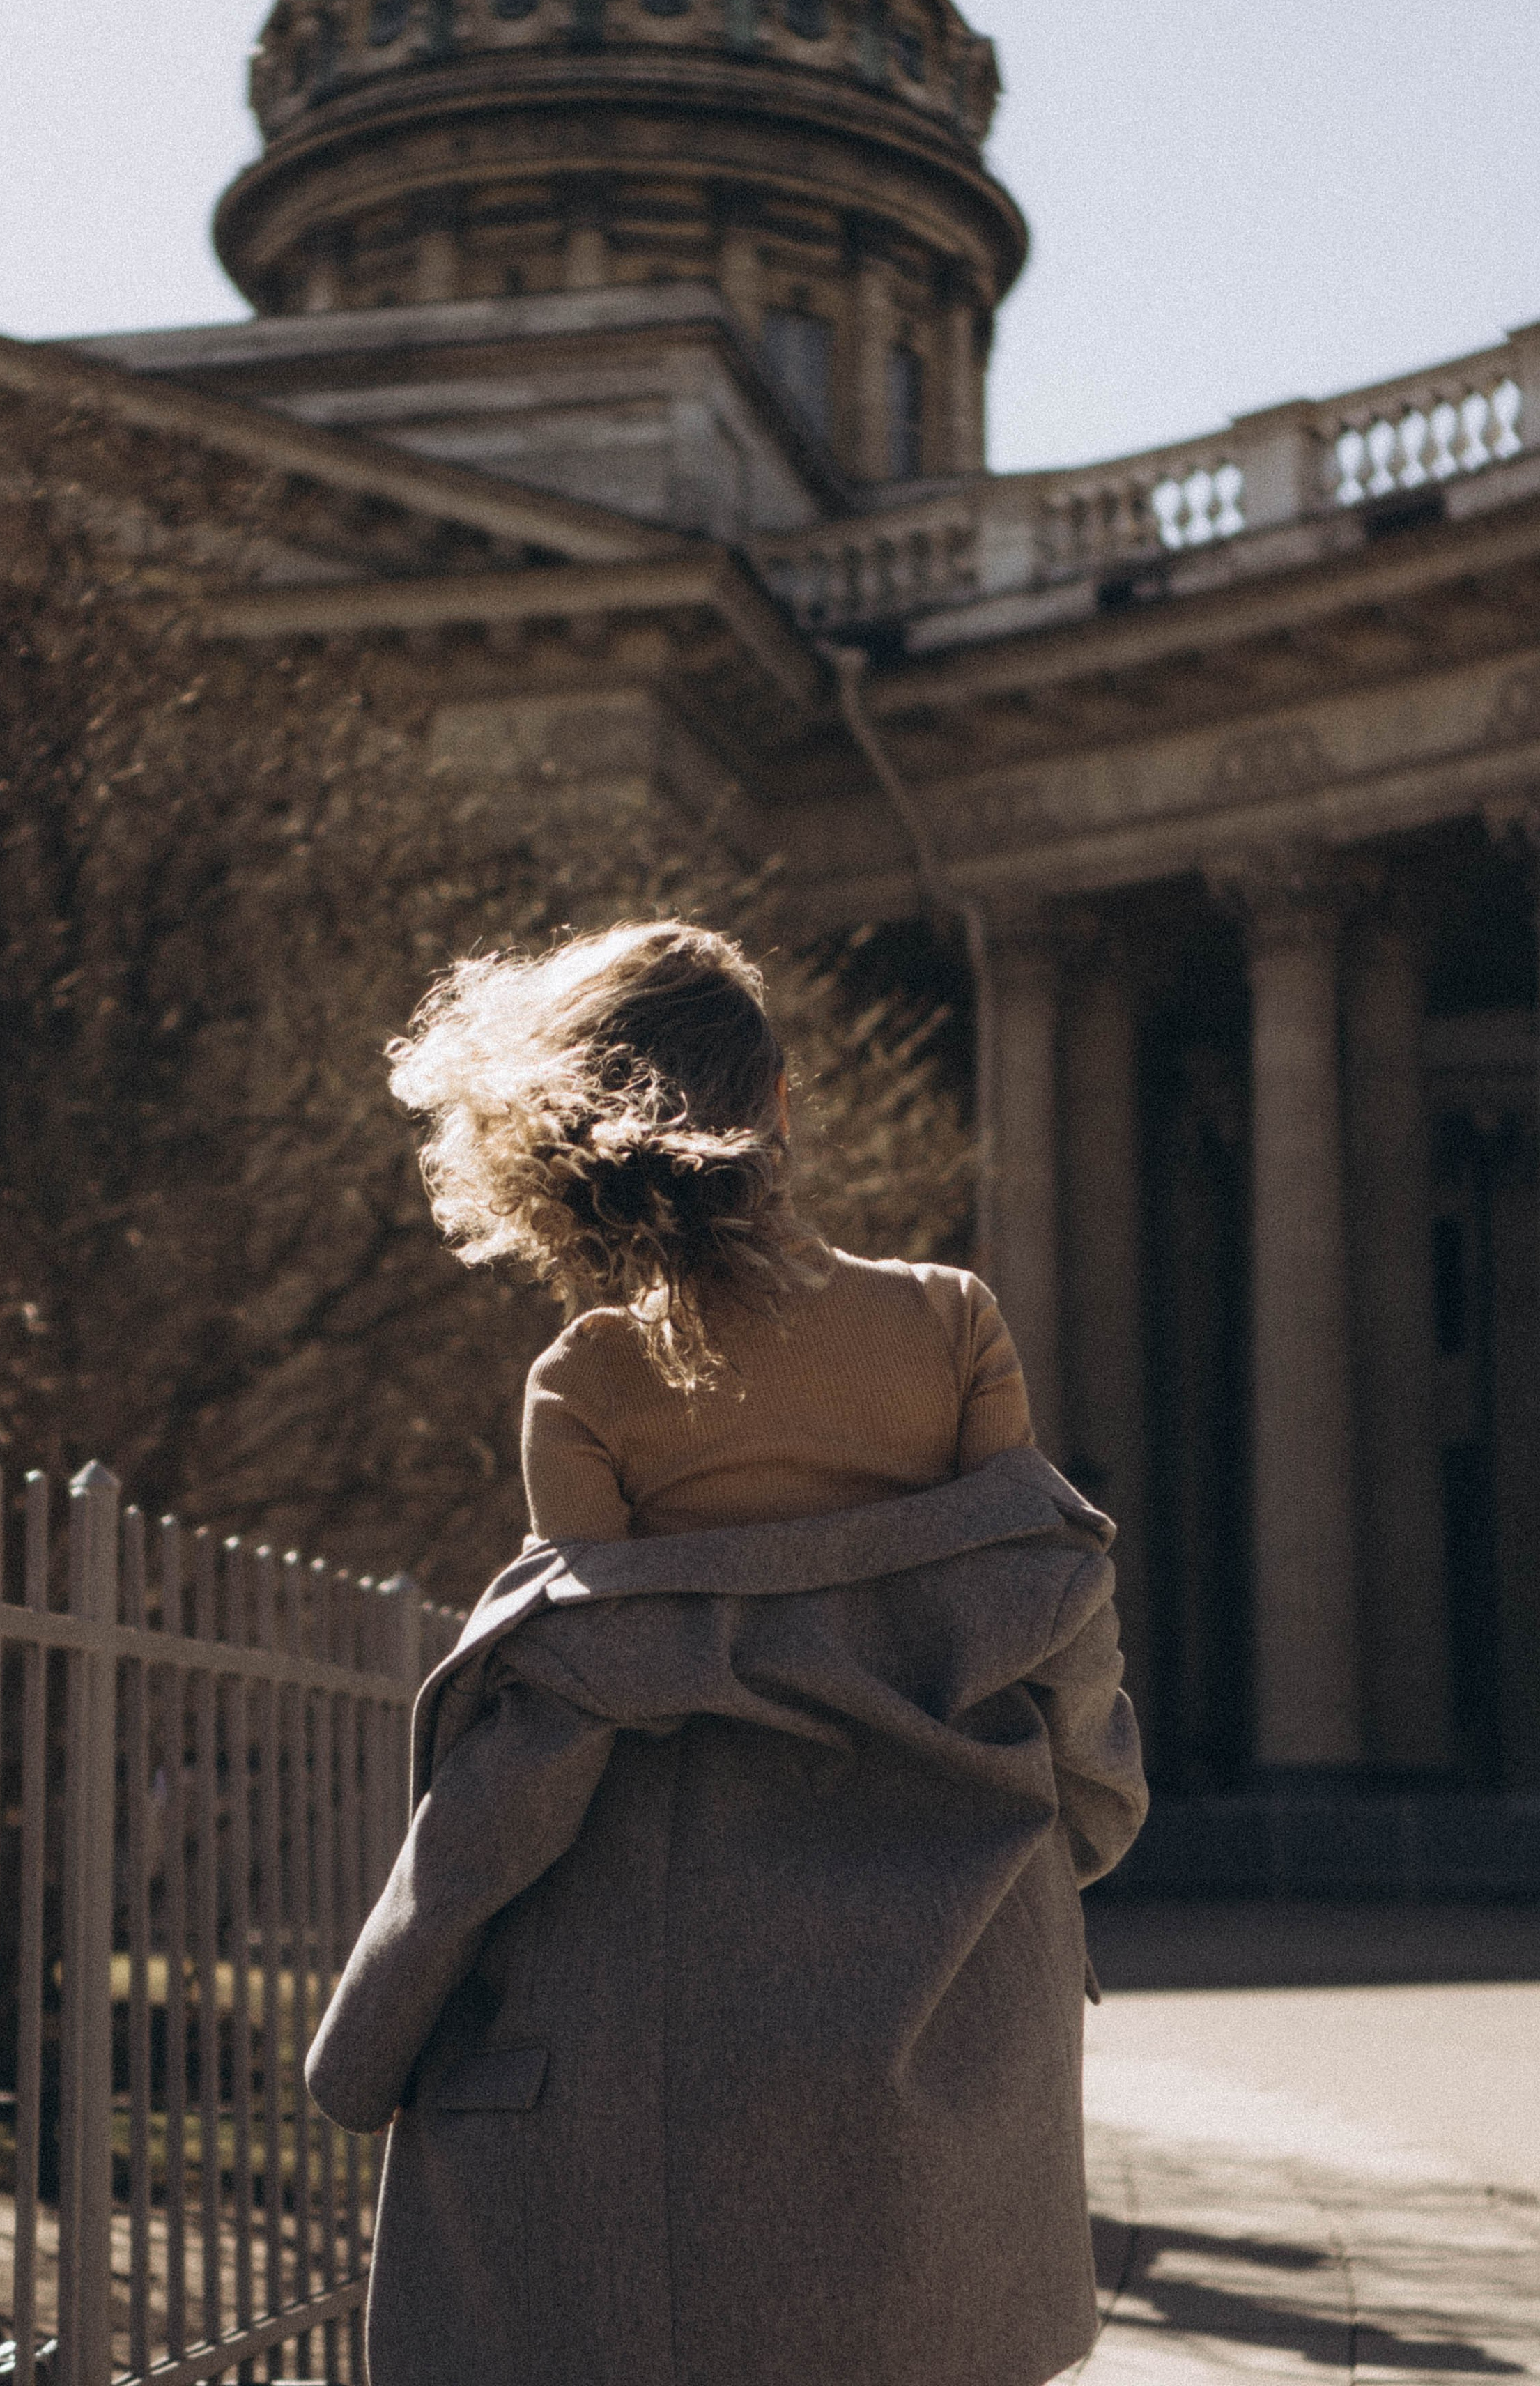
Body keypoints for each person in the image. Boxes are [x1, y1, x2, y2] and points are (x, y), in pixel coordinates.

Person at [307, 921, 1148, 2386]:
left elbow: (557, 1716)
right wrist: (1077, 1822)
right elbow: (1048, 1624)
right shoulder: (950, 1327)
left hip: (663, 2005)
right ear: (776, 1101)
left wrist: (377, 2019)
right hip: (948, 1988)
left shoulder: (590, 1379)